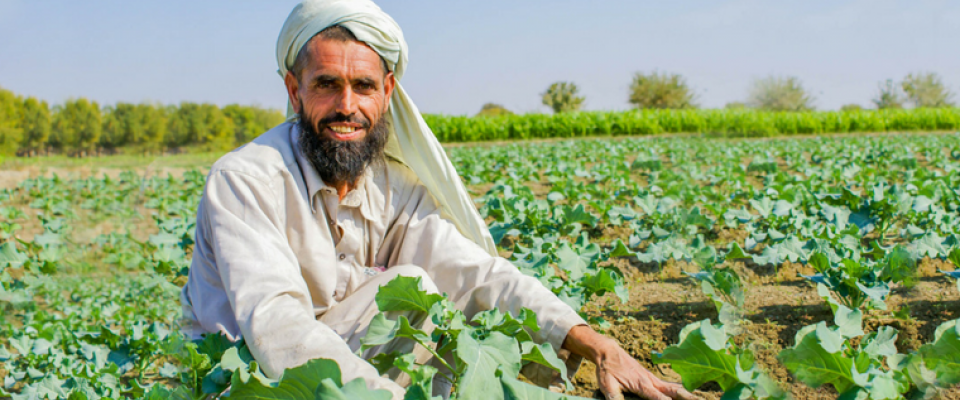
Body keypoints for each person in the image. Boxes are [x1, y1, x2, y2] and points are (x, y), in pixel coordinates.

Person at [180, 1, 696, 399]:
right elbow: (280, 332)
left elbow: (476, 274)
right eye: (326, 86)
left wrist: (600, 345)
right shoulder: (246, 180)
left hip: (355, 369)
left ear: (387, 92)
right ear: (294, 91)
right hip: (254, 380)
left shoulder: (393, 184)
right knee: (411, 290)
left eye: (362, 86)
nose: (347, 106)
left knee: (519, 328)